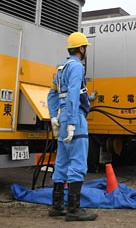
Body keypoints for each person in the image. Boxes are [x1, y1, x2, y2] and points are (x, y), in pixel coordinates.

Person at [47, 32, 97, 221]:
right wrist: (73, 124)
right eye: (85, 48)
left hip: (63, 117)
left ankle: (56, 206)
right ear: (82, 49)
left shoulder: (60, 68)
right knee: (78, 163)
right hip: (75, 118)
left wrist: (53, 117)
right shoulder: (77, 67)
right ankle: (74, 210)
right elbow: (74, 93)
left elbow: (52, 94)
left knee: (61, 163)